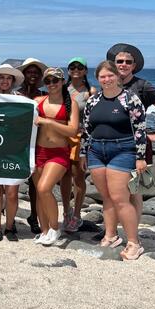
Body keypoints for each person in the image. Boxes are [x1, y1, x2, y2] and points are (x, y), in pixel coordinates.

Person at [80, 60, 147, 260]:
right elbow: (86, 130)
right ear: (97, 79)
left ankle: (134, 242)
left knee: (120, 198)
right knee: (106, 197)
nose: (107, 79)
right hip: (96, 151)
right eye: (102, 76)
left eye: (110, 75)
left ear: (117, 76)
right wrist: (84, 153)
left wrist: (140, 157)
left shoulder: (130, 99)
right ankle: (111, 235)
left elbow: (140, 130)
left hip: (123, 150)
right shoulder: (93, 101)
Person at [106, 43, 155, 223]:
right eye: (120, 61)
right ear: (113, 63)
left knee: (134, 192)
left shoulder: (143, 86)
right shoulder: (109, 84)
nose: (124, 64)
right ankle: (112, 231)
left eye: (128, 62)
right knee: (113, 191)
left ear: (134, 66)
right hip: (112, 145)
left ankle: (133, 234)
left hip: (137, 147)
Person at [32, 67, 79, 246]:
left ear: (62, 82)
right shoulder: (38, 101)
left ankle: (54, 227)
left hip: (58, 153)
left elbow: (72, 129)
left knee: (44, 188)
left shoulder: (70, 103)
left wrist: (48, 121)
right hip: (38, 152)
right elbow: (16, 106)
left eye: (55, 80)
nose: (51, 84)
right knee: (39, 193)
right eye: (48, 81)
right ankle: (44, 232)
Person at [0, 64, 25, 241]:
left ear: (13, 81)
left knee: (11, 192)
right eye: (1, 77)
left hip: (14, 151)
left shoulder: (21, 100)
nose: (5, 80)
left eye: (8, 78)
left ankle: (9, 226)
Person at [59, 57, 97, 233]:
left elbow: (93, 119)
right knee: (64, 175)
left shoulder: (91, 91)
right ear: (68, 70)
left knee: (78, 176)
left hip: (80, 137)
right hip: (63, 136)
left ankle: (77, 214)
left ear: (85, 71)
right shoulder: (62, 89)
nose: (76, 69)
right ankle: (66, 212)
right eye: (72, 67)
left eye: (79, 67)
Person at [17, 57, 48, 234]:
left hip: (36, 143)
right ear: (24, 74)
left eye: (36, 73)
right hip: (18, 143)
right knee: (12, 182)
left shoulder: (44, 95)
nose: (33, 75)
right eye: (29, 72)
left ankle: (34, 216)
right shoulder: (15, 95)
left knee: (35, 184)